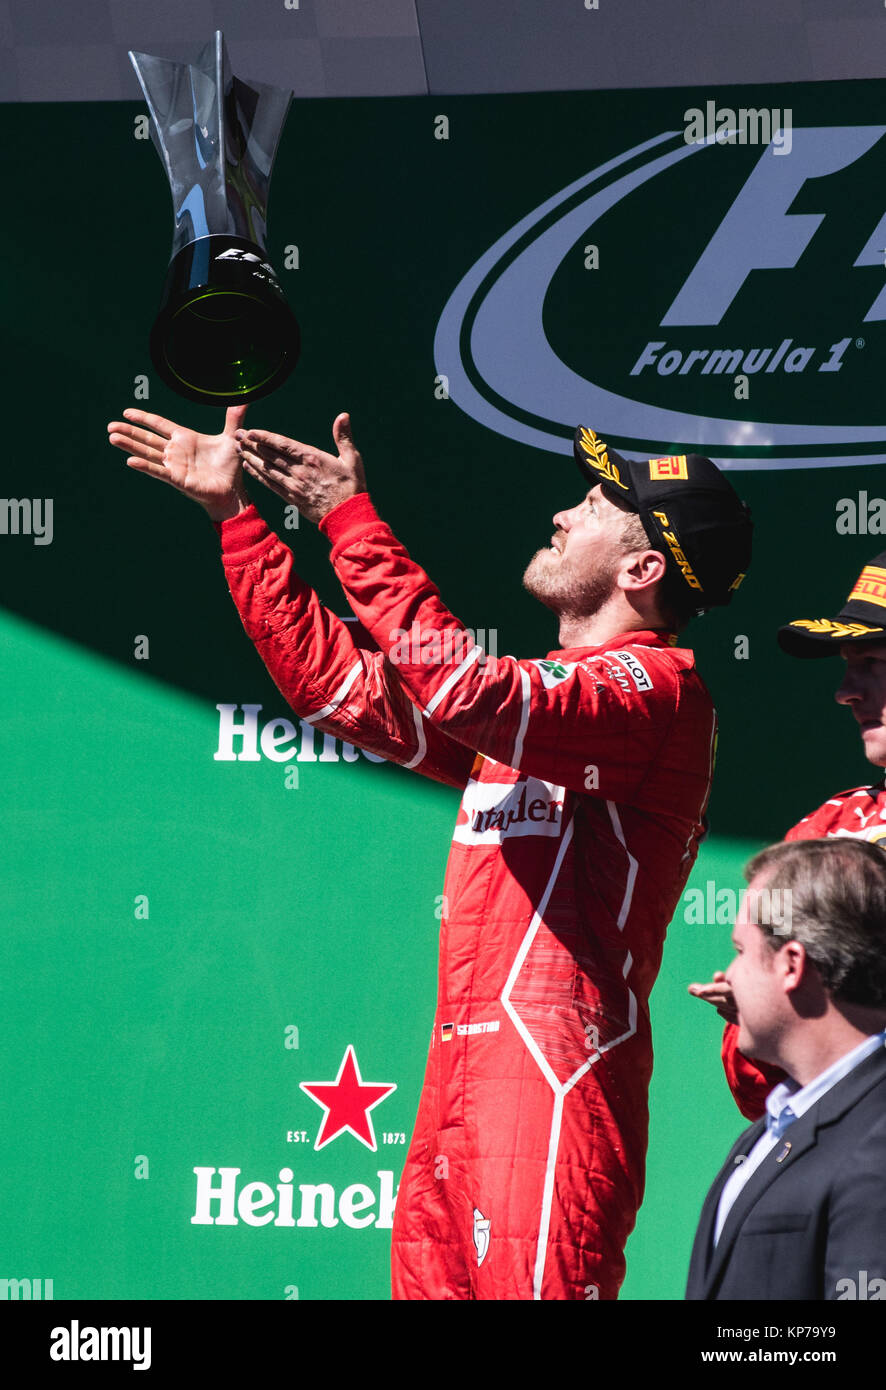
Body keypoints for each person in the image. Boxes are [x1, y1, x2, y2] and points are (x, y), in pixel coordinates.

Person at [107, 405, 752, 1300]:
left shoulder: (655, 694)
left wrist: (351, 520)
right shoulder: (537, 713)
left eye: (596, 505)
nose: (563, 516)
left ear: (643, 567)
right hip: (462, 1080)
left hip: (552, 1081)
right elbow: (338, 691)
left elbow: (462, 685)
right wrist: (237, 522)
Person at [690, 553, 886, 1120]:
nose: (845, 691)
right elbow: (758, 1094)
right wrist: (763, 1015)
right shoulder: (831, 827)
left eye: (871, 661)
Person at [686, 837, 886, 1301]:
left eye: (739, 950)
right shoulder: (770, 1130)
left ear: (791, 964)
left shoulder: (875, 1139)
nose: (727, 976)